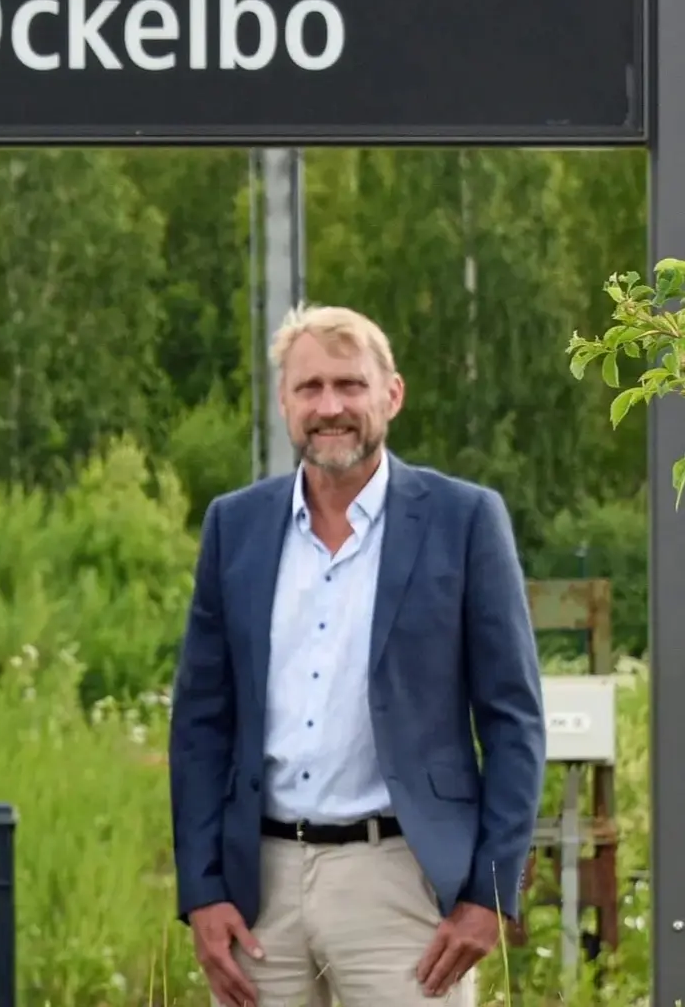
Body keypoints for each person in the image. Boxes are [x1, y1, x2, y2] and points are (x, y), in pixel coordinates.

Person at [168, 304, 546, 1007]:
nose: (330, 407)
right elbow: (200, 724)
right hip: (260, 894)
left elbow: (514, 721)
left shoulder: (463, 520)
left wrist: (490, 895)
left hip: (402, 885)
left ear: (391, 395)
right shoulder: (236, 526)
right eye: (309, 388)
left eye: (350, 385)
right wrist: (203, 890)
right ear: (284, 401)